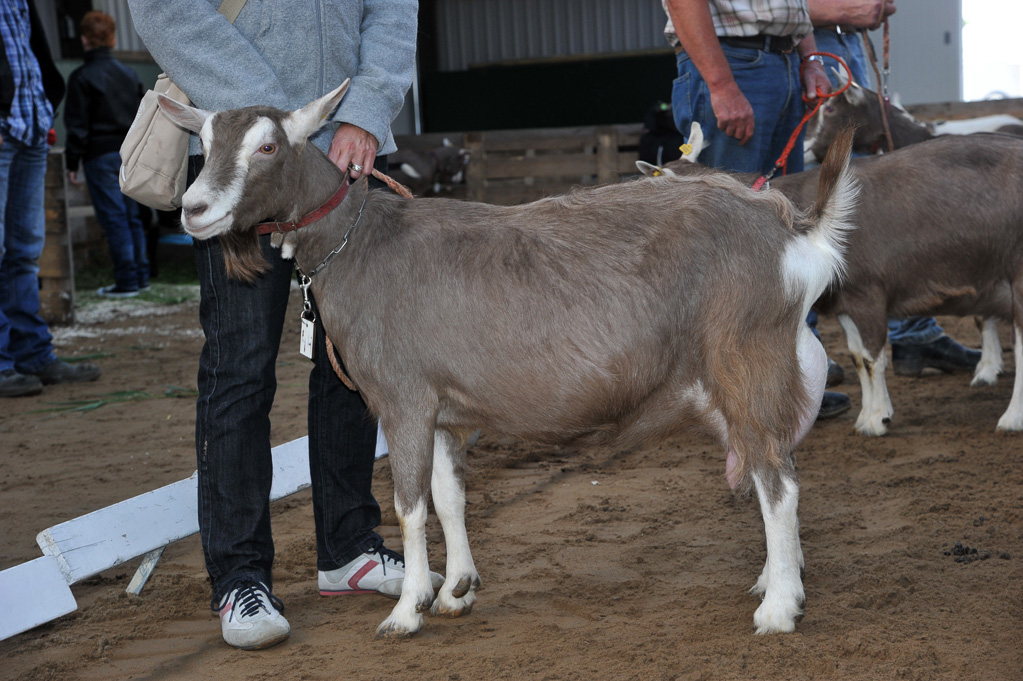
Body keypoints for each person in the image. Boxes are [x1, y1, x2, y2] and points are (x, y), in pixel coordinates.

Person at [126, 0, 439, 651]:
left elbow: (390, 8)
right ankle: (239, 574)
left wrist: (362, 109)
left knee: (349, 359)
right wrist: (282, 126)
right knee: (240, 365)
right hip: (242, 160)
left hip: (335, 153)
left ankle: (348, 548)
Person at [661, 0, 851, 419]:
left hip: (780, 62)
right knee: (726, 240)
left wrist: (809, 58)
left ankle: (785, 382)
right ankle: (731, 389)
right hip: (732, 63)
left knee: (786, 227)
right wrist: (721, 84)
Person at [808, 0, 982, 377]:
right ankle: (802, 352)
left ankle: (913, 329)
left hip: (845, 45)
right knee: (811, 191)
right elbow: (775, 11)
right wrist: (839, 12)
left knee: (878, 196)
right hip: (812, 50)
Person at [0, 0, 101, 398]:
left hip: (29, 128)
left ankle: (32, 354)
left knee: (25, 251)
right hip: (10, 128)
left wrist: (43, 112)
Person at [64, 10, 149, 299]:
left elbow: (77, 126)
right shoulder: (128, 74)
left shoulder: (81, 77)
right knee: (133, 216)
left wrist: (71, 162)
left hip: (99, 156)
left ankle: (127, 281)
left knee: (114, 218)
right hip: (128, 153)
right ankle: (141, 276)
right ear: (113, 37)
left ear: (84, 38)